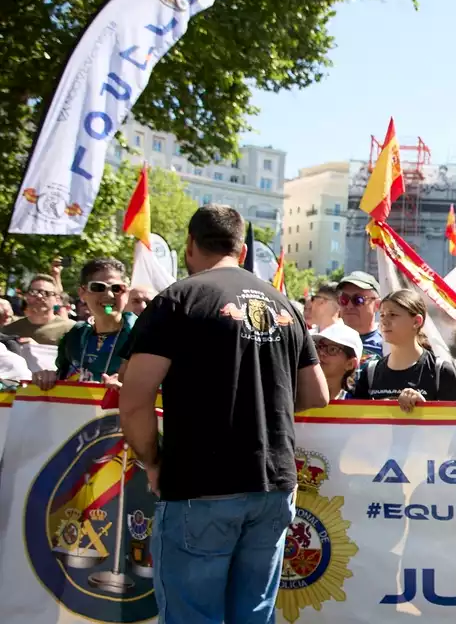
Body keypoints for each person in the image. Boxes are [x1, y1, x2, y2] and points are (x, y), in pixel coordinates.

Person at [118, 204, 329, 623]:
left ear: (190, 245)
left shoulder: (178, 299)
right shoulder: (283, 304)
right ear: (244, 251)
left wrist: (152, 461)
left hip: (201, 485)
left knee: (192, 615)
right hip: (272, 486)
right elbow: (316, 393)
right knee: (252, 615)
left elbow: (135, 398)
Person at [33, 258, 136, 389]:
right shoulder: (74, 337)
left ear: (126, 293)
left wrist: (130, 389)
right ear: (82, 293)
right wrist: (48, 377)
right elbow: (63, 377)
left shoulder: (143, 336)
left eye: (117, 288)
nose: (109, 294)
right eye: (98, 287)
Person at [349, 288, 456, 409]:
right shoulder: (370, 372)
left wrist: (423, 408)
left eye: (393, 315)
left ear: (416, 322)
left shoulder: (441, 371)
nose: (384, 322)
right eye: (382, 315)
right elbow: (358, 423)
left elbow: (453, 424)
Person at [2, 273, 75, 345]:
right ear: (27, 297)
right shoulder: (8, 331)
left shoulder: (71, 329)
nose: (39, 296)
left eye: (46, 293)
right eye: (33, 292)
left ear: (57, 300)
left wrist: (37, 348)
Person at [338, 271, 383, 361]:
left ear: (377, 305)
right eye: (344, 300)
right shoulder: (329, 342)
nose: (349, 306)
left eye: (358, 300)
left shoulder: (387, 346)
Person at [314, 322, 363, 400]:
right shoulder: (296, 398)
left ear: (350, 364)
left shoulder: (356, 406)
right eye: (319, 347)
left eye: (332, 349)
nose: (321, 353)